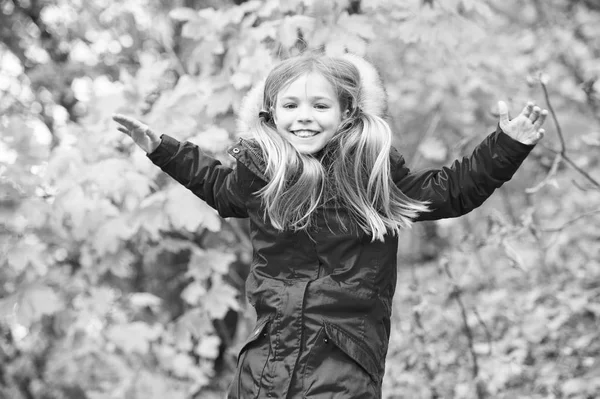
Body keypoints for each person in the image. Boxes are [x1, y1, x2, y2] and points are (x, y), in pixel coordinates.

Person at [113, 52, 547, 398]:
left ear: (345, 113)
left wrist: (506, 146)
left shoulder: (370, 172)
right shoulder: (261, 173)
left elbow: (451, 191)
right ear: (270, 114)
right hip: (267, 354)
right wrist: (163, 149)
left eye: (320, 105)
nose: (305, 116)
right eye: (291, 105)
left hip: (343, 357)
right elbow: (217, 188)